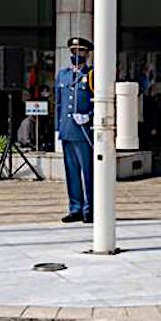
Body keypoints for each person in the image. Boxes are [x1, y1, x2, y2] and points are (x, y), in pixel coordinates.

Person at [56, 37, 94, 224]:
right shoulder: (63, 75)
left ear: (87, 54)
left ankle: (89, 208)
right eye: (74, 52)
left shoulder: (93, 75)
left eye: (80, 52)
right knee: (71, 172)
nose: (76, 55)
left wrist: (90, 115)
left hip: (84, 132)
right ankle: (75, 208)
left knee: (87, 172)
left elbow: (101, 101)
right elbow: (59, 103)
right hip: (67, 130)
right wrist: (57, 128)